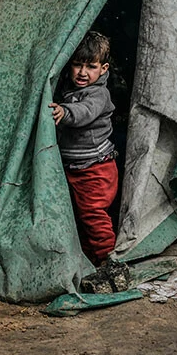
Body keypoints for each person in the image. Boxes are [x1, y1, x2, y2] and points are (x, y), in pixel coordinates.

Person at [49, 31, 119, 267]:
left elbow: (85, 111)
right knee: (81, 220)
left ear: (104, 69)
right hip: (76, 167)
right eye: (78, 64)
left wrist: (65, 111)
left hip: (96, 170)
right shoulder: (69, 89)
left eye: (91, 66)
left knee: (93, 216)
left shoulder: (99, 94)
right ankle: (92, 261)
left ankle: (109, 262)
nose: (82, 72)